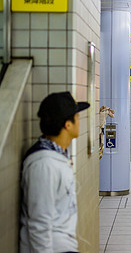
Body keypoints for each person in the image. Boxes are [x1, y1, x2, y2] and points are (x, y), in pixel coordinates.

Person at [20, 92, 90, 253]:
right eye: (77, 117)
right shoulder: (44, 165)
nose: (80, 121)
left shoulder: (57, 155)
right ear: (68, 125)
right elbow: (39, 224)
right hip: (54, 247)